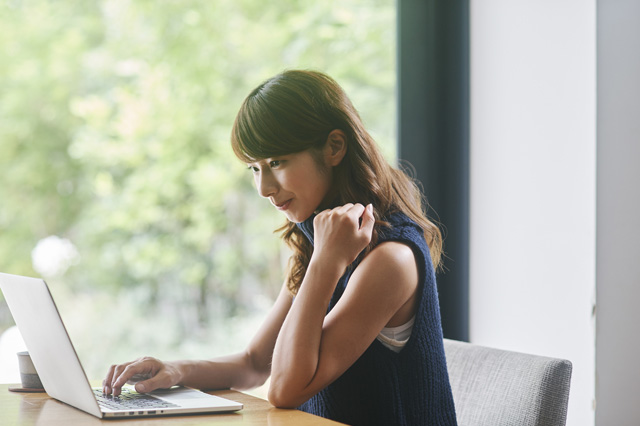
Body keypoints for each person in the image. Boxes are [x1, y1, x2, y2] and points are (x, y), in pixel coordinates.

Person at [103, 70, 457, 425]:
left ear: (334, 147)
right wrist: (173, 371)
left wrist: (326, 261)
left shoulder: (391, 259)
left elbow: (286, 387)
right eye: (254, 168)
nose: (264, 188)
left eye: (276, 163)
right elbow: (256, 363)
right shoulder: (322, 241)